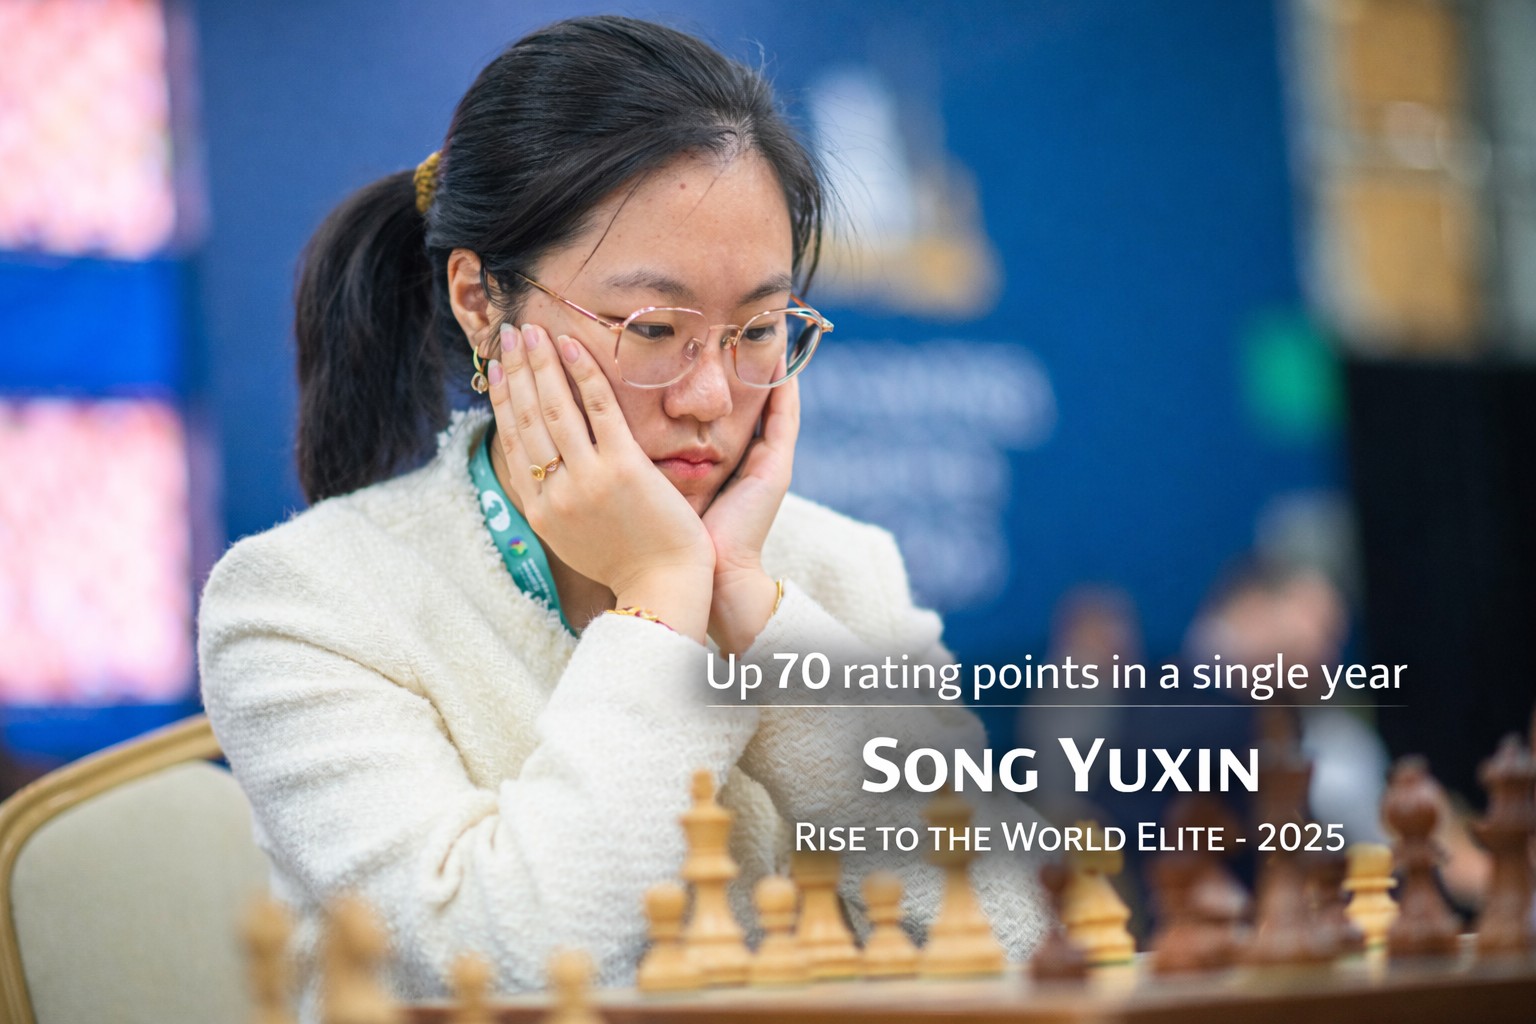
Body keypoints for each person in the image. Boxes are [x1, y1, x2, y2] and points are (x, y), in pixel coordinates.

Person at [197, 14, 1048, 1014]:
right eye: (652, 328)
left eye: (758, 329)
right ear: (481, 301)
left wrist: (748, 606)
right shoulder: (304, 602)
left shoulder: (835, 569)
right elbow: (504, 969)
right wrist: (660, 602)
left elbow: (1017, 939)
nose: (711, 395)